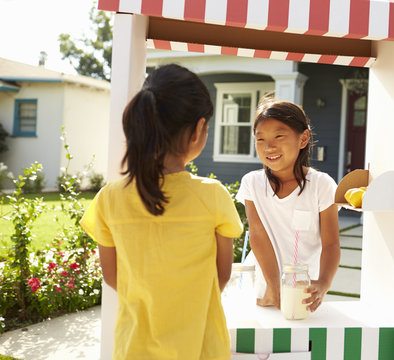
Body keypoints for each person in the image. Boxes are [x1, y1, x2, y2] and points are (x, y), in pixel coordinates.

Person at [81, 64, 243, 360]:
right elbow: (221, 275)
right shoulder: (213, 196)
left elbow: (112, 276)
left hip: (133, 349)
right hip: (201, 349)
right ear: (198, 131)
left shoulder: (108, 199)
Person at [236, 97, 340, 313]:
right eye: (260, 139)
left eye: (278, 136)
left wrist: (323, 284)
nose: (269, 146)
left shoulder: (322, 185)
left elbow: (331, 244)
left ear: (303, 139)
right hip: (261, 287)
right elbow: (258, 235)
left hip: (302, 292)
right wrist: (273, 289)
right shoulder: (252, 183)